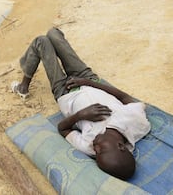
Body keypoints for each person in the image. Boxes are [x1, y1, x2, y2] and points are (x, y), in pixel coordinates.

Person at [11, 27, 151, 180]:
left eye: (96, 154)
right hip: (88, 78)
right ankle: (36, 75)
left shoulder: (88, 146)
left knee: (42, 41)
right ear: (120, 146)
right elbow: (125, 97)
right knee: (53, 34)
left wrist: (80, 115)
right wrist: (88, 82)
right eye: (101, 150)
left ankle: (23, 86)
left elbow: (62, 129)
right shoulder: (136, 124)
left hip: (65, 93)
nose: (95, 148)